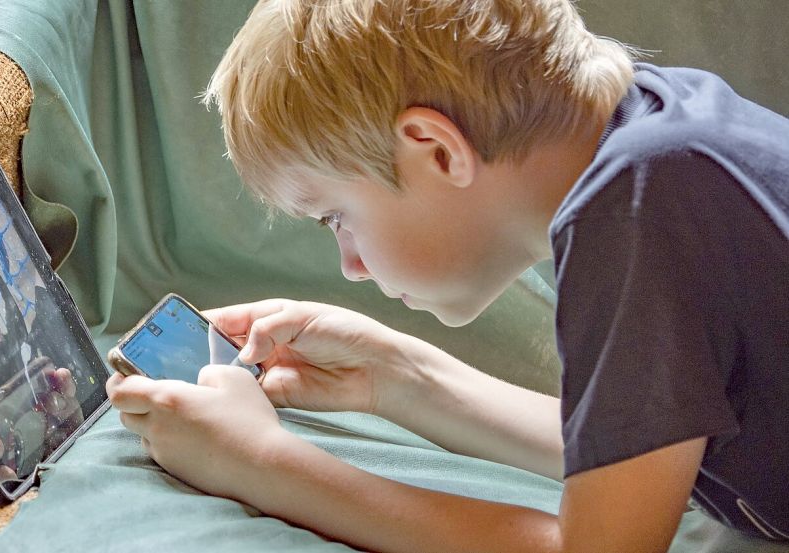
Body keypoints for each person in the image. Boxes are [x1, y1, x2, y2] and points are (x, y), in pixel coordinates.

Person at [106, 1, 789, 551]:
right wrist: (395, 375)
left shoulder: (639, 210)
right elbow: (633, 456)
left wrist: (258, 461)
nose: (349, 265)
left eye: (336, 217)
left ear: (434, 151)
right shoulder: (657, 136)